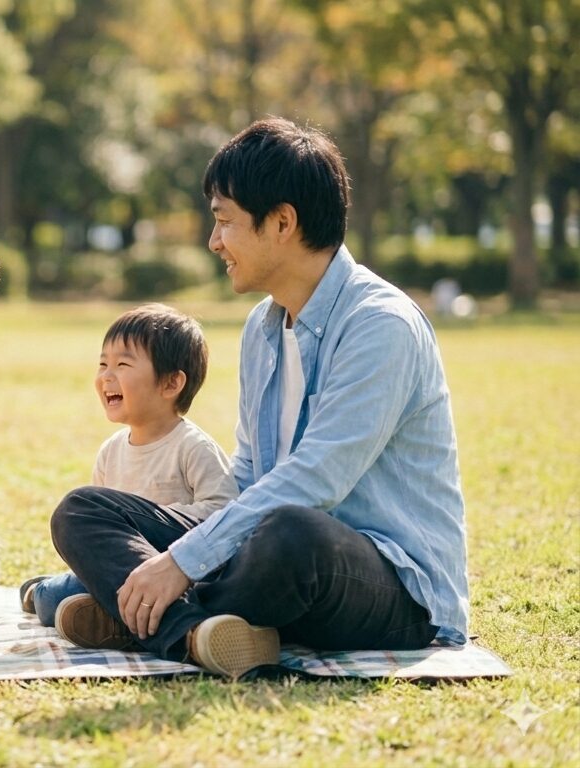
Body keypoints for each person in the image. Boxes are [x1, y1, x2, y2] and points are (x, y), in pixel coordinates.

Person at [51, 118, 469, 679]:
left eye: (224, 221)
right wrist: (187, 546)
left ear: (281, 223)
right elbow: (247, 477)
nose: (214, 240)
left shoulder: (380, 325)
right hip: (270, 558)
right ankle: (193, 632)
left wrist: (180, 562)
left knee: (291, 533)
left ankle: (135, 613)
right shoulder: (263, 328)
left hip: (389, 585)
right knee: (84, 510)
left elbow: (319, 479)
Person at [19, 303, 237, 649]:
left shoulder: (193, 447)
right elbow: (97, 536)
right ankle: (45, 591)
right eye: (103, 364)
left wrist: (158, 524)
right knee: (54, 599)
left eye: (122, 364)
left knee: (69, 595)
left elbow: (224, 514)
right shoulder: (111, 451)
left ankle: (109, 612)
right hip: (125, 572)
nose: (106, 376)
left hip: (179, 572)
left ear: (170, 383)